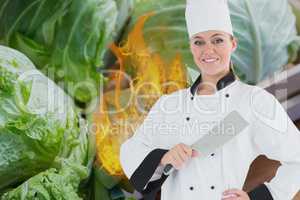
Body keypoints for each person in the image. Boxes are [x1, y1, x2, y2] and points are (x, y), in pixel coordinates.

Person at [120, 0, 300, 199]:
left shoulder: (254, 101)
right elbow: (131, 151)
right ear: (191, 47)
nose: (208, 50)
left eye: (217, 40)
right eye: (199, 42)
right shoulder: (169, 104)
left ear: (233, 44)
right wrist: (163, 158)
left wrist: (259, 197)